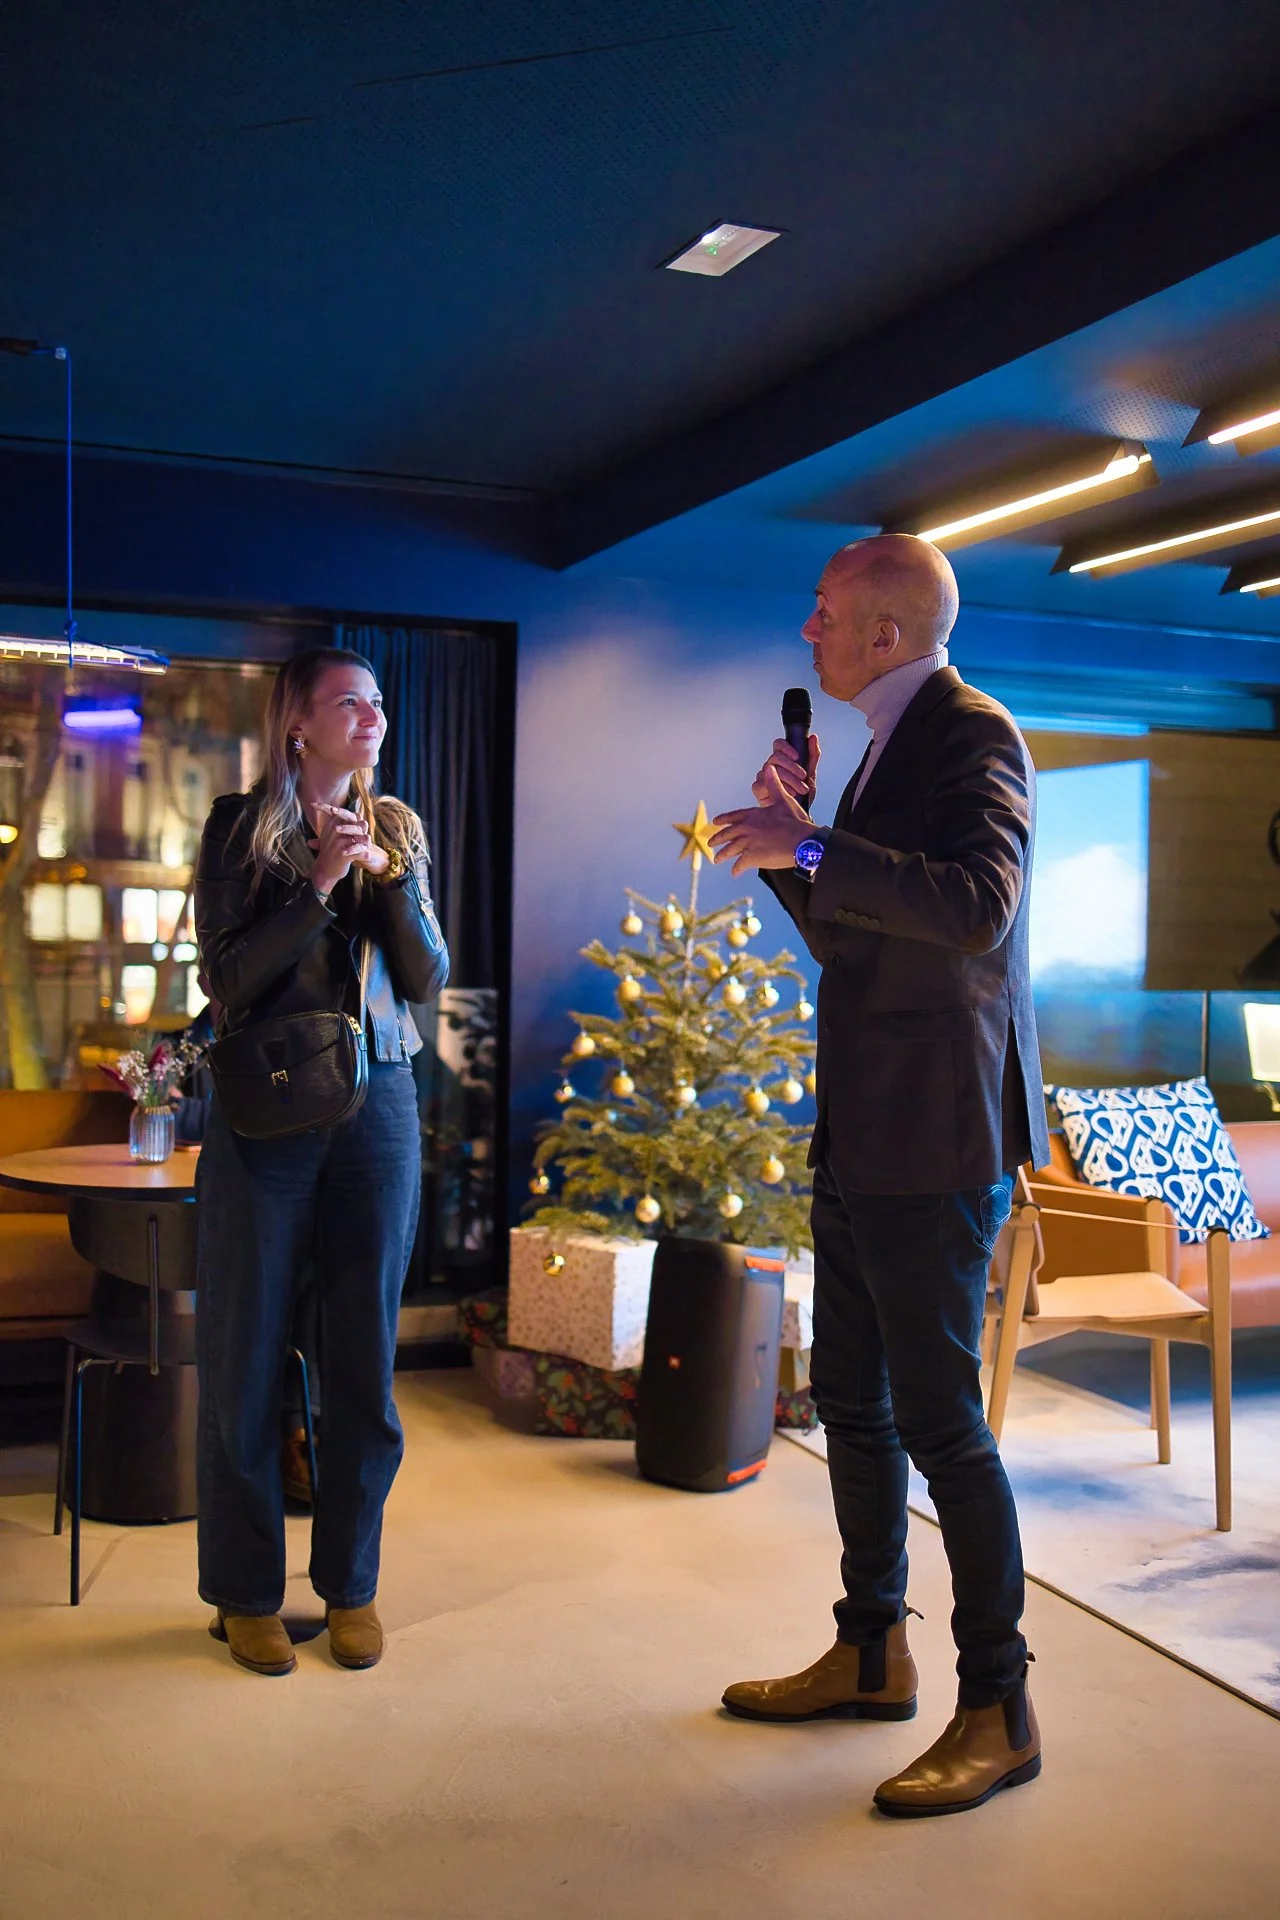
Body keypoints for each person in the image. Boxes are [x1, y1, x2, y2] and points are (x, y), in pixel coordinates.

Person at [709, 533, 1049, 1818]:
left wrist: (809, 846)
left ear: (886, 637)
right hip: (860, 1127)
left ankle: (999, 1706)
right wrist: (798, 848)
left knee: (940, 1424)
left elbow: (975, 907)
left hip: (937, 1134)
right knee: (849, 1402)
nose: (808, 632)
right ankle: (869, 1650)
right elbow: (857, 934)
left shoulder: (972, 734)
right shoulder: (877, 749)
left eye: (824, 613)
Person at [194, 648, 448, 1676]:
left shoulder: (399, 829)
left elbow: (424, 973)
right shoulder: (238, 828)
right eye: (350, 700)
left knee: (361, 1367)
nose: (374, 715)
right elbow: (227, 980)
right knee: (246, 1358)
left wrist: (383, 876)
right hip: (270, 1107)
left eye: (380, 700)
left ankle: (352, 1588)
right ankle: (247, 1595)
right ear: (297, 722)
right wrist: (319, 884)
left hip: (379, 1103)